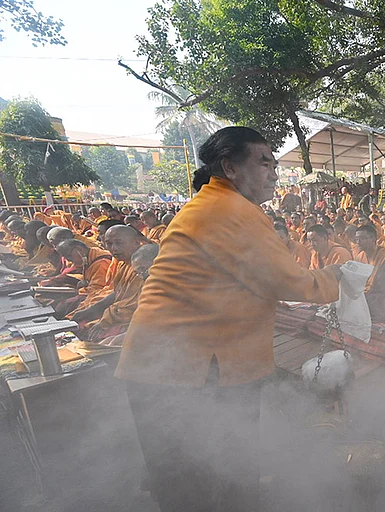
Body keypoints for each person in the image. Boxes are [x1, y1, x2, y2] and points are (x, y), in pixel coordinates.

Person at [115, 127, 341, 512]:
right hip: (190, 370)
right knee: (210, 484)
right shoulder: (231, 210)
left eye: (275, 164)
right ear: (230, 168)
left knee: (200, 481)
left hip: (176, 366)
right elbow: (288, 281)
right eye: (264, 162)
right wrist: (338, 279)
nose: (274, 173)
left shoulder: (211, 205)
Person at [73, 226, 145, 342]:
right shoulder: (124, 263)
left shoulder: (143, 266)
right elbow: (119, 292)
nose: (114, 249)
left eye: (119, 243)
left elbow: (135, 306)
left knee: (92, 335)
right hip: (118, 313)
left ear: (136, 242)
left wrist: (105, 321)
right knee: (79, 323)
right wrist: (93, 309)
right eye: (109, 244)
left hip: (136, 320)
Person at [54, 239, 113, 316]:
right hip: (92, 292)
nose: (69, 261)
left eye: (69, 256)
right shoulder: (88, 255)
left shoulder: (102, 262)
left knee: (65, 307)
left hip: (102, 295)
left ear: (79, 249)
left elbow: (97, 288)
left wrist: (80, 291)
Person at [354, 224, 385, 322]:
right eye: (357, 239)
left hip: (381, 294)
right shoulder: (360, 256)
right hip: (365, 293)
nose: (358, 242)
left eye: (362, 238)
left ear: (373, 239)